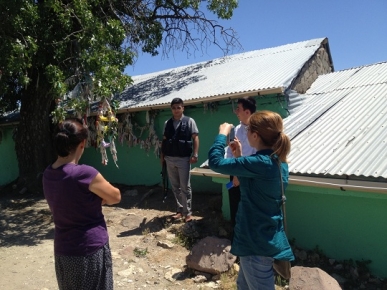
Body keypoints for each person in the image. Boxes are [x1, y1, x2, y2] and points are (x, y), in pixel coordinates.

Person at [208, 110, 294, 290]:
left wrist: (221, 135)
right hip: (263, 238)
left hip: (255, 244)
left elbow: (215, 162)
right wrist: (239, 157)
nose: (245, 132)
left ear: (255, 135)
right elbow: (255, 185)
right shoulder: (277, 162)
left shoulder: (259, 163)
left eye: (248, 130)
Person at [42, 118, 121, 290]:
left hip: (64, 251)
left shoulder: (47, 174)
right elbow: (116, 196)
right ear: (82, 143)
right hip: (89, 249)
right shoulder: (84, 174)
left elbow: (64, 204)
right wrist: (99, 198)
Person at [161, 98, 199, 223]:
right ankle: (179, 210)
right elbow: (165, 140)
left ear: (183, 108)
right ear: (171, 109)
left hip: (184, 159)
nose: (176, 110)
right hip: (170, 158)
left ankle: (187, 213)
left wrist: (195, 154)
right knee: (175, 187)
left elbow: (195, 138)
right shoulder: (167, 123)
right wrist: (162, 156)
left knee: (185, 187)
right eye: (174, 108)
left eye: (178, 107)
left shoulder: (189, 121)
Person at [226, 97, 257, 229]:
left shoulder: (258, 131)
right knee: (235, 210)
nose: (236, 111)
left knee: (250, 212)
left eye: (238, 109)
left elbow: (254, 156)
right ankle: (236, 241)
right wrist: (233, 174)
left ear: (247, 112)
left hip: (250, 178)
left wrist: (240, 175)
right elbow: (229, 153)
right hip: (234, 177)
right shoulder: (236, 129)